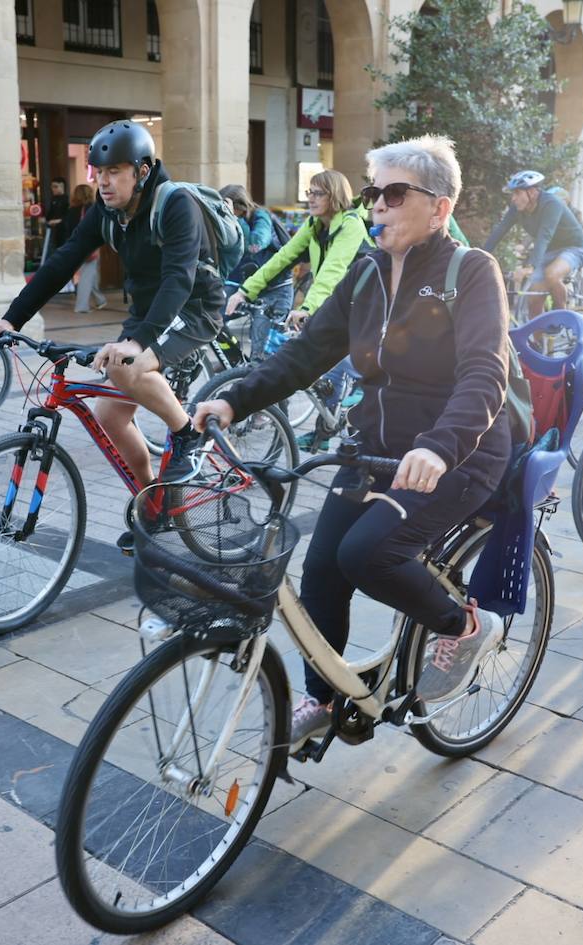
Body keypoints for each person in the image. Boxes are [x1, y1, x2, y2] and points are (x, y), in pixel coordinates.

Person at [195, 135, 511, 747]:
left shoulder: (470, 271)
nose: (378, 206)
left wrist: (440, 447)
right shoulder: (365, 274)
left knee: (367, 556)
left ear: (440, 206)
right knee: (320, 570)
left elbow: (484, 372)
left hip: (459, 453)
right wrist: (235, 400)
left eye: (395, 193)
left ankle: (463, 625)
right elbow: (308, 351)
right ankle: (326, 695)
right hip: (374, 449)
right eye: (374, 193)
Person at [0, 119, 224, 542]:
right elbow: (62, 261)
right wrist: (13, 317)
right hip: (149, 313)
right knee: (109, 413)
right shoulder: (106, 210)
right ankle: (155, 501)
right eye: (98, 172)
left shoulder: (176, 204)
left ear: (142, 171)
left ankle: (189, 434)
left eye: (115, 172)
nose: (103, 181)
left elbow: (178, 280)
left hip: (193, 309)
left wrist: (138, 341)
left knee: (130, 367)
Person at [225, 170, 371, 419]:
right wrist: (244, 291)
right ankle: (325, 428)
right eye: (309, 192)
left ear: (334, 195)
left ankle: (364, 380)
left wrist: (307, 308)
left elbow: (332, 270)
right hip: (335, 298)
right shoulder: (314, 225)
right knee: (324, 360)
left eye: (318, 193)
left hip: (363, 298)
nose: (311, 198)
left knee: (330, 343)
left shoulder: (351, 224)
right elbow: (282, 257)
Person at [483, 170, 583, 319]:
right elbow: (500, 230)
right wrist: (481, 254)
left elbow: (544, 235)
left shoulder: (552, 204)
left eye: (517, 193)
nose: (513, 199)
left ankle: (560, 313)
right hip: (549, 252)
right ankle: (536, 342)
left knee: (551, 274)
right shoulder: (517, 208)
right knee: (533, 300)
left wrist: (530, 267)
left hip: (574, 248)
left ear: (531, 192)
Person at [219, 183, 293, 355]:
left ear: (241, 207)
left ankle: (249, 370)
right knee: (211, 320)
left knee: (259, 352)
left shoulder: (261, 217)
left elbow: (255, 245)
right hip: (244, 286)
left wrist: (236, 220)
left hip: (274, 290)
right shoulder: (229, 221)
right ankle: (234, 362)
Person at [68, 183, 107, 313]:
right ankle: (81, 306)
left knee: (91, 273)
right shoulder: (93, 208)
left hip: (74, 245)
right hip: (90, 245)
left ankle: (100, 300)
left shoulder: (72, 210)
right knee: (87, 274)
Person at [43, 177, 70, 255]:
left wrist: (58, 221)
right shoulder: (53, 199)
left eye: (55, 187)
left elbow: (68, 216)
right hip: (54, 231)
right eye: (52, 187)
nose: (53, 189)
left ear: (62, 186)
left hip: (64, 232)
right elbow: (50, 214)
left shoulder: (67, 199)